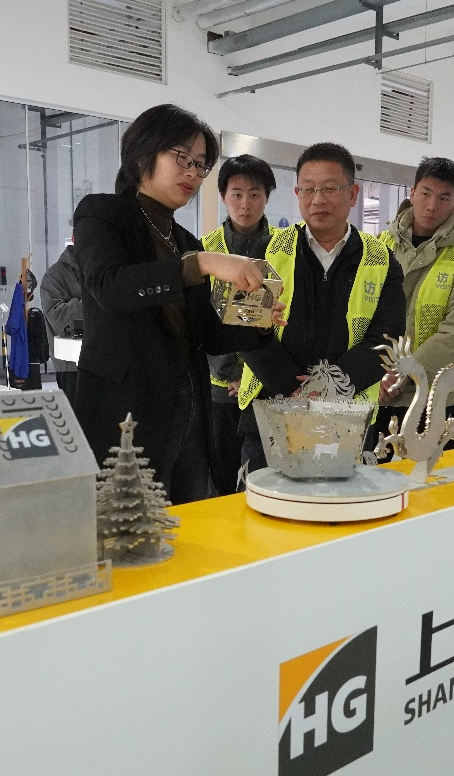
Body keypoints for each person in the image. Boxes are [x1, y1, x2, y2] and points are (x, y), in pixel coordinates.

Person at [72, 103, 279, 504]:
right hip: (126, 408)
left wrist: (258, 322)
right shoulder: (103, 213)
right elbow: (110, 287)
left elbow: (205, 333)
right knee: (128, 523)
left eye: (200, 164)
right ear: (142, 153)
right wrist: (200, 264)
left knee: (187, 518)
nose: (193, 173)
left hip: (188, 406)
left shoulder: (184, 239)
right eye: (182, 157)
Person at [237, 142, 405, 474]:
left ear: (353, 194)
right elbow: (245, 324)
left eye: (330, 188)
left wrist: (330, 386)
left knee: (341, 503)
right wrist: (293, 388)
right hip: (272, 408)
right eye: (308, 189)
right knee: (265, 500)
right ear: (297, 193)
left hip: (348, 416)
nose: (318, 199)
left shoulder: (381, 259)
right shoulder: (267, 249)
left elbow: (388, 337)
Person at [376, 157, 454, 434]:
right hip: (374, 389)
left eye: (444, 198)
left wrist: (407, 370)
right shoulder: (380, 244)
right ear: (412, 193)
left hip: (433, 395)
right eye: (425, 193)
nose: (432, 205)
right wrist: (371, 373)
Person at [201, 154, 278, 495]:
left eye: (255, 194)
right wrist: (232, 372)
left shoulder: (283, 248)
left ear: (267, 197)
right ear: (223, 197)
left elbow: (283, 319)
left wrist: (250, 373)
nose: (245, 204)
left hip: (265, 384)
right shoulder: (206, 250)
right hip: (219, 387)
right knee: (220, 471)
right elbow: (201, 319)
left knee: (263, 475)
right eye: (236, 194)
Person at [40, 243, 82, 402]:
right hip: (72, 366)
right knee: (76, 413)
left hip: (108, 361)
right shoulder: (55, 275)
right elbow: (58, 316)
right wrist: (96, 303)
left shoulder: (101, 269)